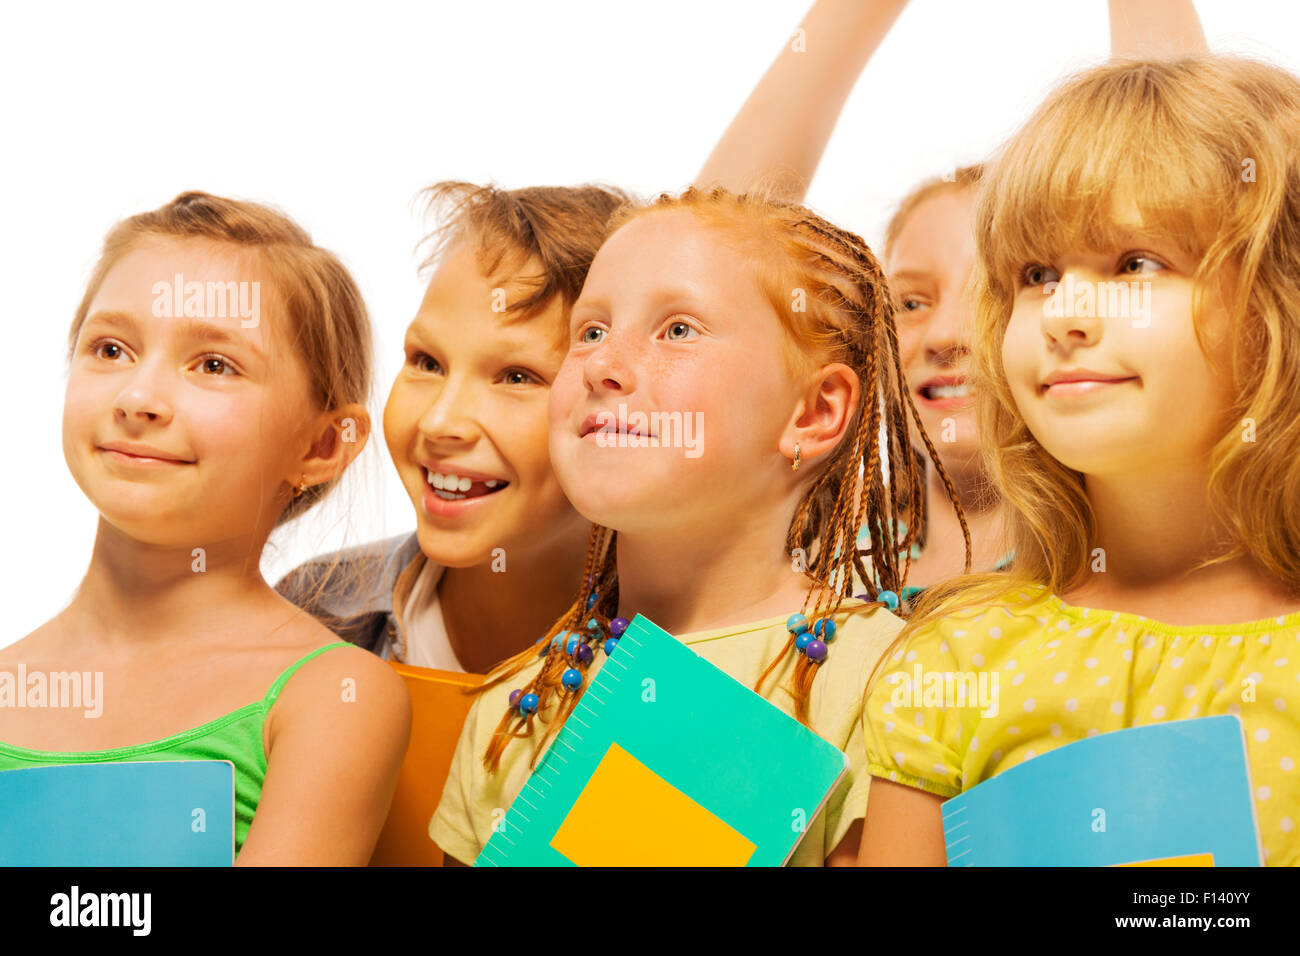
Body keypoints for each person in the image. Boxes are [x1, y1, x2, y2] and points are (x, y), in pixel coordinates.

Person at [859, 55, 1300, 867]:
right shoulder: (957, 652)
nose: (1065, 314)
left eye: (1135, 264)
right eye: (1037, 275)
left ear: (1281, 299)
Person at [0, 192, 411, 864]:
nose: (137, 399)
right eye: (111, 348)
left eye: (214, 365)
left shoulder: (332, 698)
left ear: (322, 445)